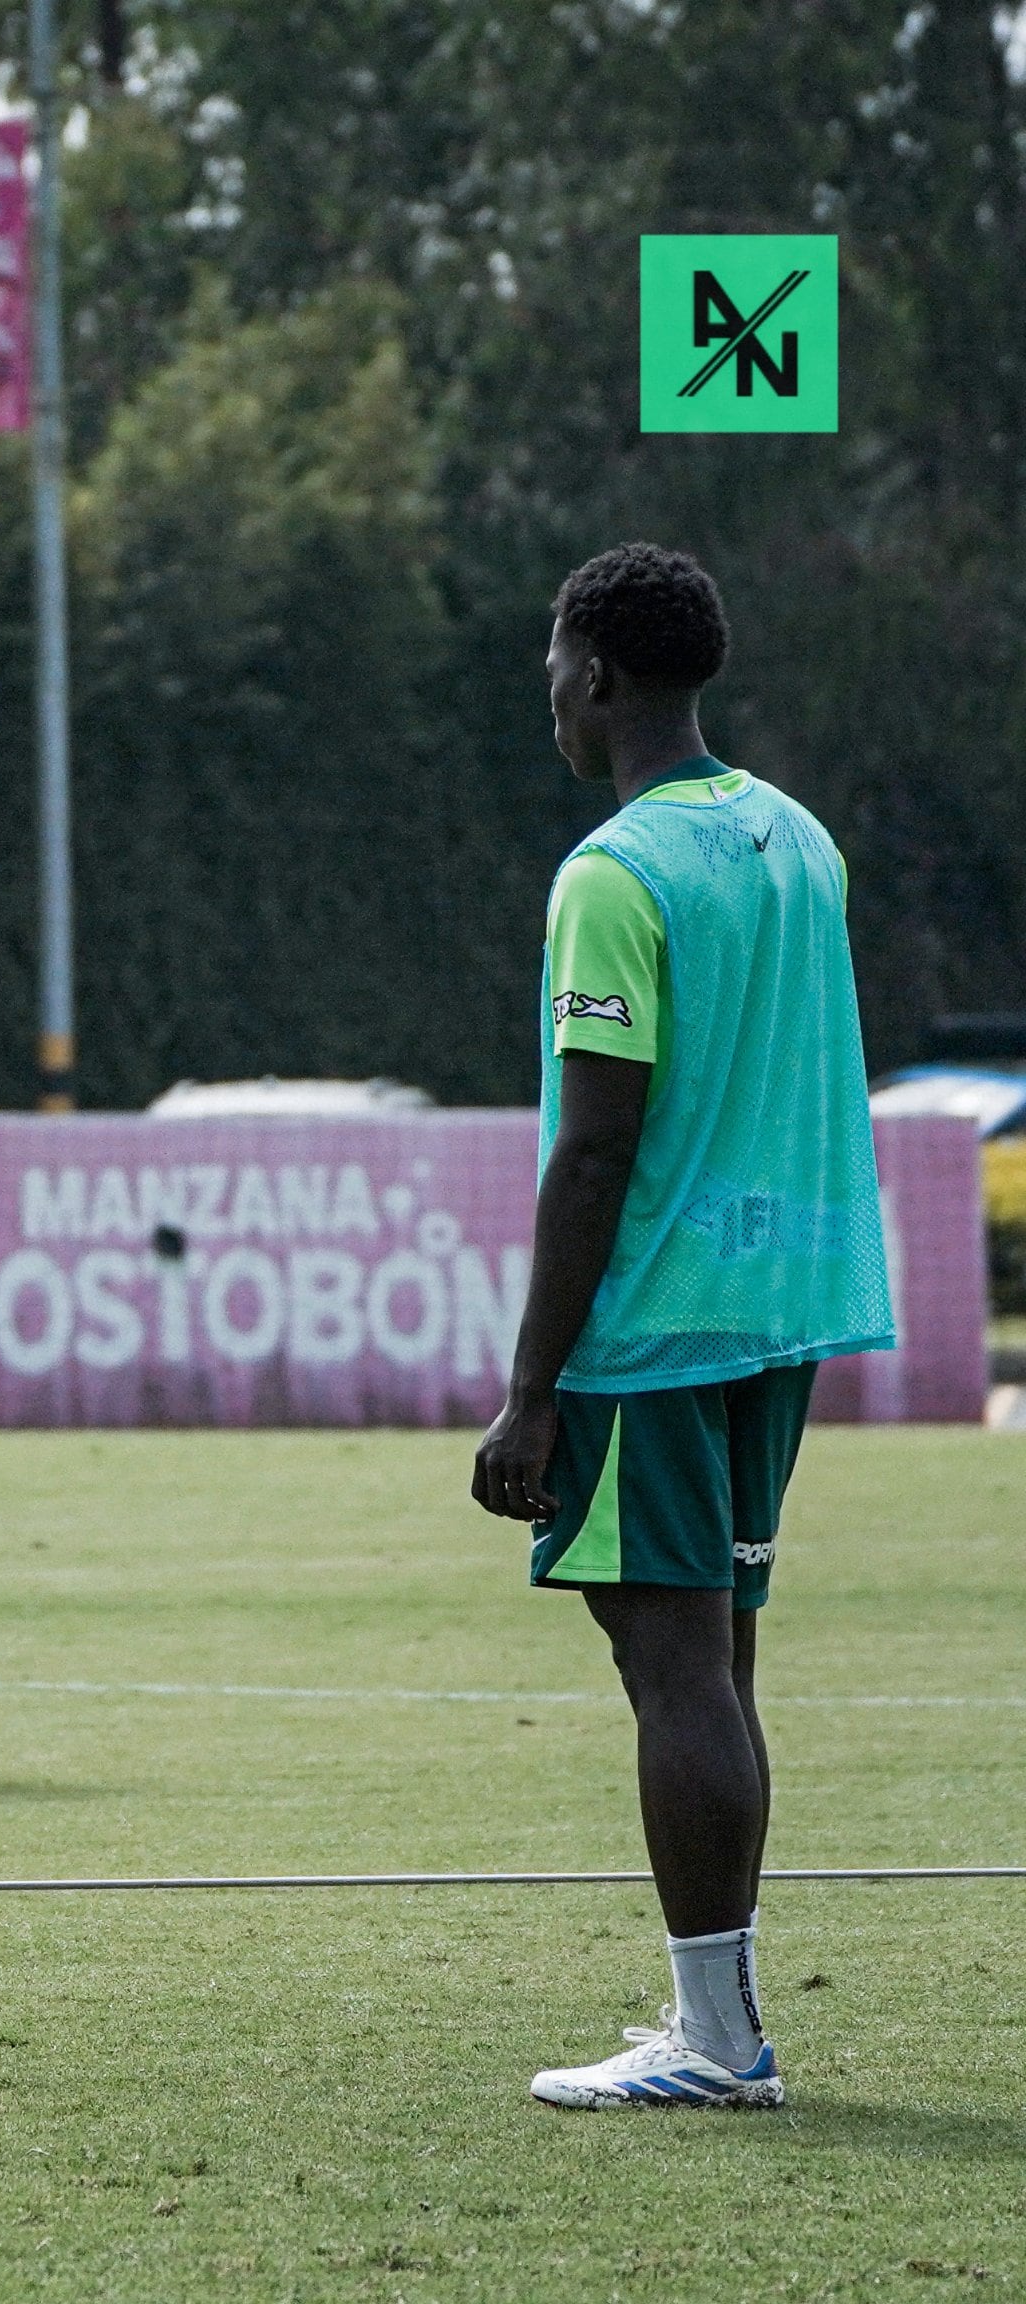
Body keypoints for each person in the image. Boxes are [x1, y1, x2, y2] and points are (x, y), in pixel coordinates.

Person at [473, 542, 890, 2113]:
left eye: (551, 668)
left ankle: (718, 2042)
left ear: (595, 672)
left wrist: (532, 1391)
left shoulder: (614, 873)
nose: (549, 697)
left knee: (675, 1672)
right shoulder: (800, 838)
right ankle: (715, 2008)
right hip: (778, 1316)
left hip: (650, 1329)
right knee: (722, 1659)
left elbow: (597, 1144)